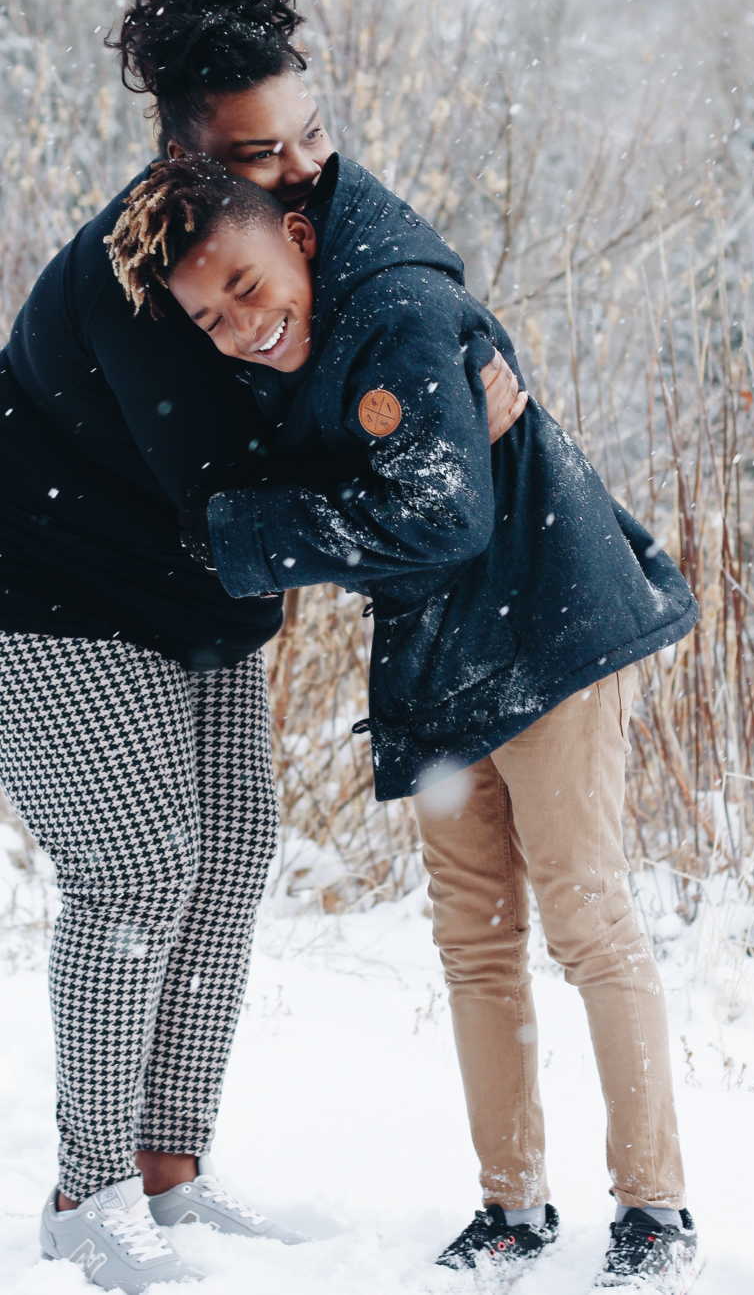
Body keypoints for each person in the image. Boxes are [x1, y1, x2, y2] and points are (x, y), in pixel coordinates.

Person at [0, 0, 522, 1293]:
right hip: (44, 584)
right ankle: (86, 1188)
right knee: (137, 865)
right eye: (260, 154)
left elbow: (409, 285)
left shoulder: (305, 199)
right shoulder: (148, 280)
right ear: (187, 159)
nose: (303, 172)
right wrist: (417, 461)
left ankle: (172, 1170)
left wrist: (474, 363)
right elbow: (237, 490)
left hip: (195, 599)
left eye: (308, 136)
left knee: (232, 852)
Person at [108, 148, 702, 1294]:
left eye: (245, 284)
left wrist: (253, 531)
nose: (240, 322)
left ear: (301, 239)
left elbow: (441, 518)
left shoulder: (398, 313)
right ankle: (513, 1206)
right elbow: (397, 505)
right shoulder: (283, 358)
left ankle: (654, 1208)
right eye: (209, 315)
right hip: (436, 656)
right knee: (476, 942)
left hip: (549, 623)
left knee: (587, 917)